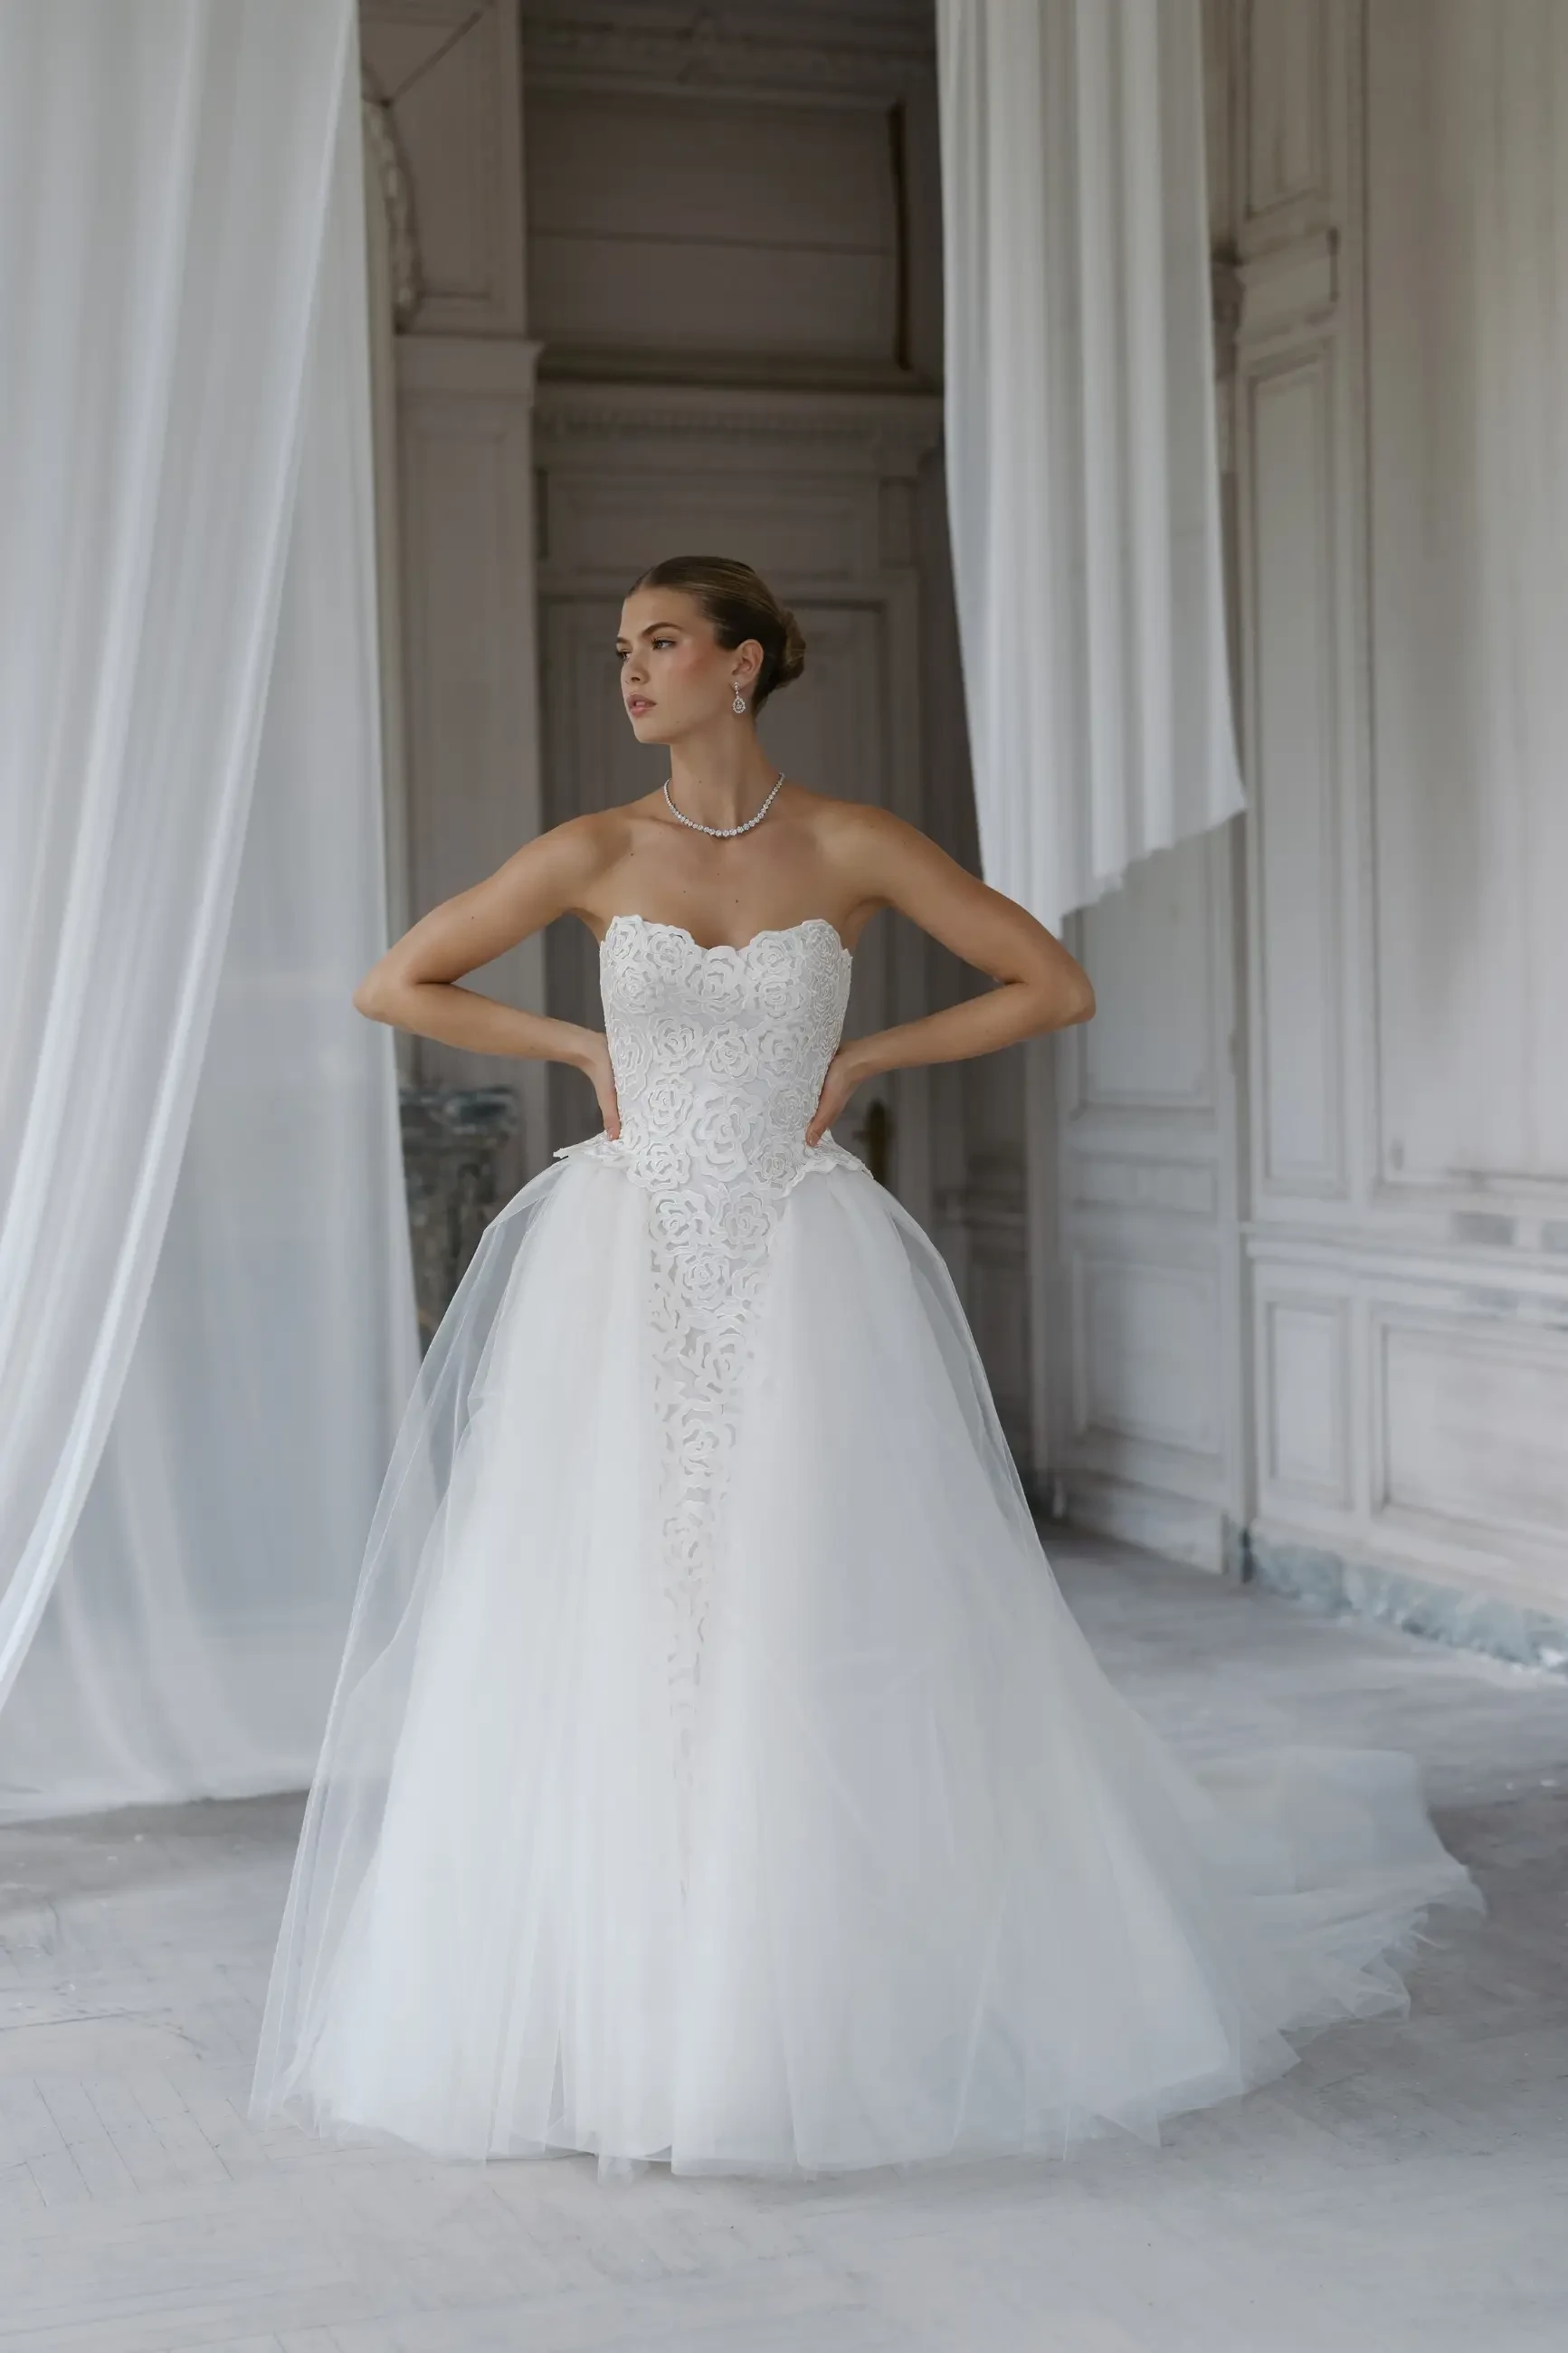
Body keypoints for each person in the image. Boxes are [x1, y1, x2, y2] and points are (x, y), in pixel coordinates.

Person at [250, 554, 1483, 2185]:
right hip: (622, 1278)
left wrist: (875, 1054)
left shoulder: (852, 847)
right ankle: (622, 1985)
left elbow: (1054, 983)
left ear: (744, 665)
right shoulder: (593, 850)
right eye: (623, 648)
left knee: (800, 1607)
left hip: (796, 1264)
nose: (632, 672)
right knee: (620, 1611)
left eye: (664, 643)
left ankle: (799, 1971)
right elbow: (390, 982)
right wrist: (578, 1046)